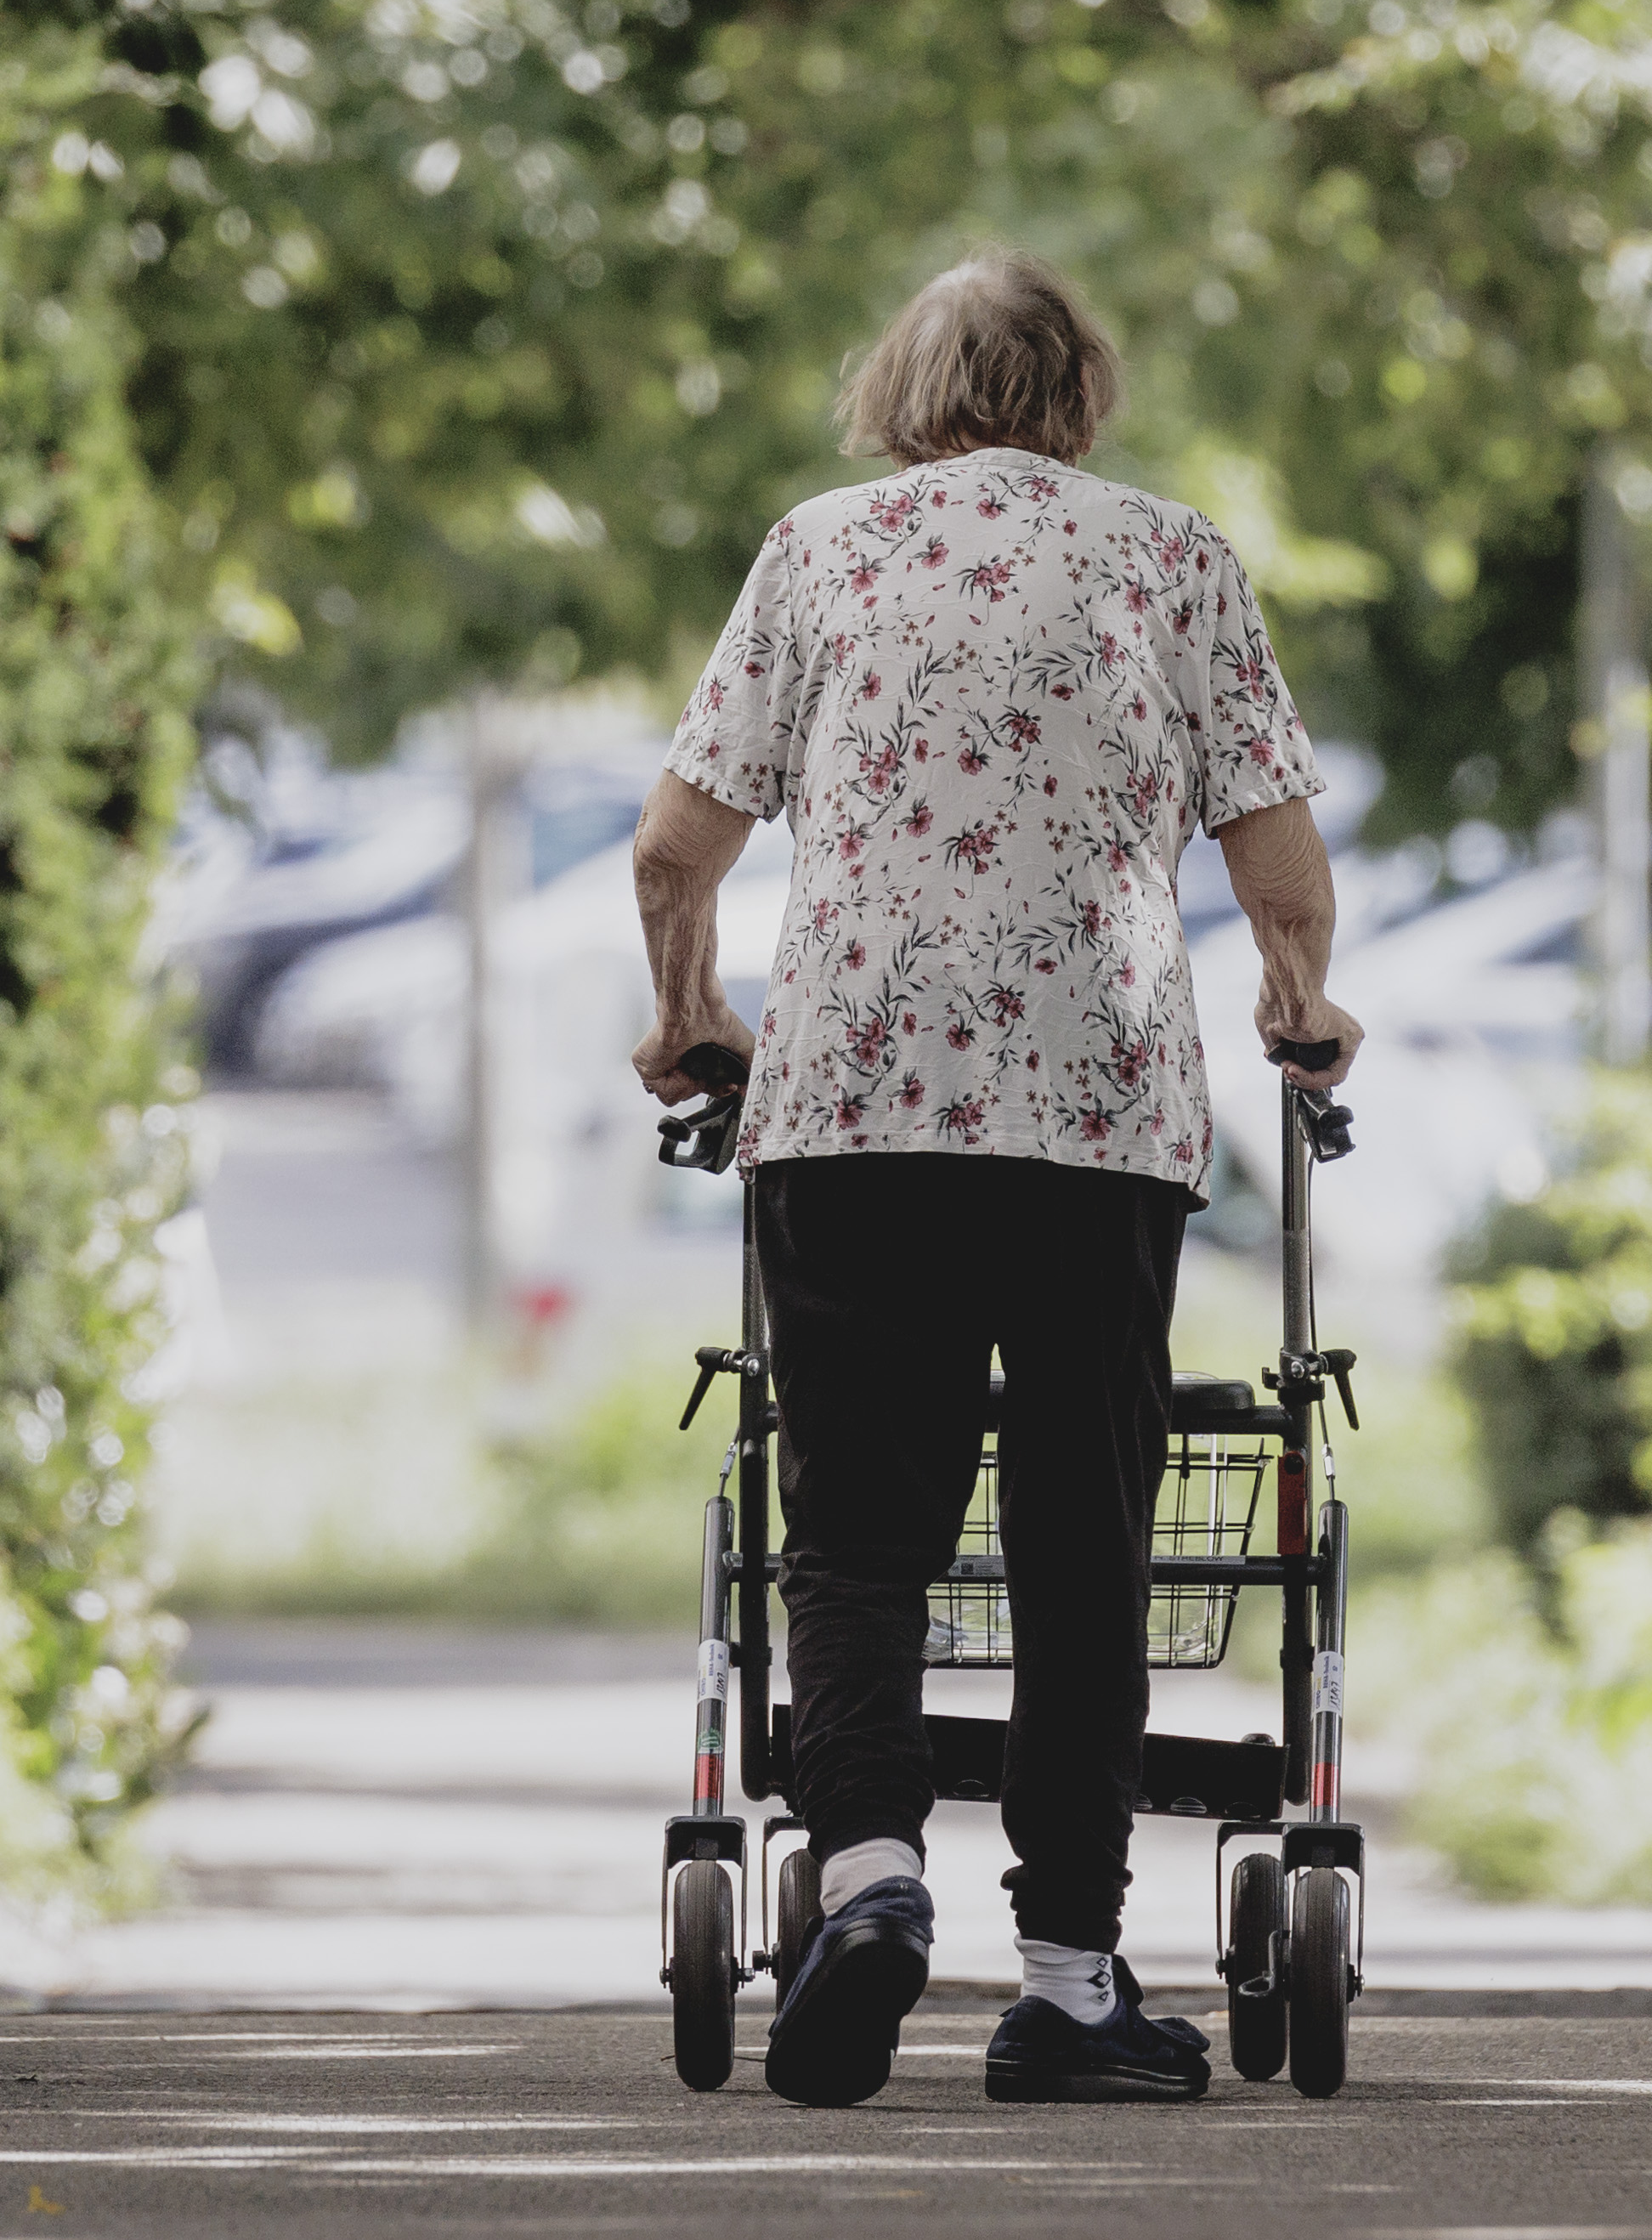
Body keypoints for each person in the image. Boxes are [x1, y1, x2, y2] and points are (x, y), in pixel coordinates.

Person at [627, 249, 1361, 2107]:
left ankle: (866, 1874)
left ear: (900, 386)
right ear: (1081, 394)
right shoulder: (1167, 555)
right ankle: (1065, 1978)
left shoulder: (820, 550)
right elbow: (1277, 862)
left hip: (853, 1099)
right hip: (1089, 1117)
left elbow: (667, 847)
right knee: (1077, 1541)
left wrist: (686, 1013)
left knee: (857, 1532)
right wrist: (1301, 1004)